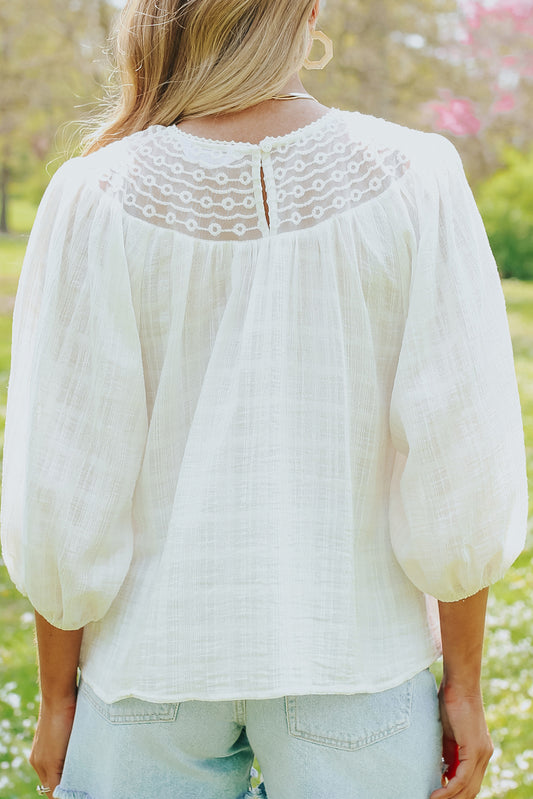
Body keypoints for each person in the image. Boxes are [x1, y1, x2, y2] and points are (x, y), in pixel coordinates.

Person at [0, 0, 528, 797]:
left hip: (151, 665)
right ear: (309, 11)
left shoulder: (94, 196)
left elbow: (65, 488)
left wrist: (56, 695)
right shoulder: (418, 179)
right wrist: (460, 683)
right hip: (355, 658)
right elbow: (456, 465)